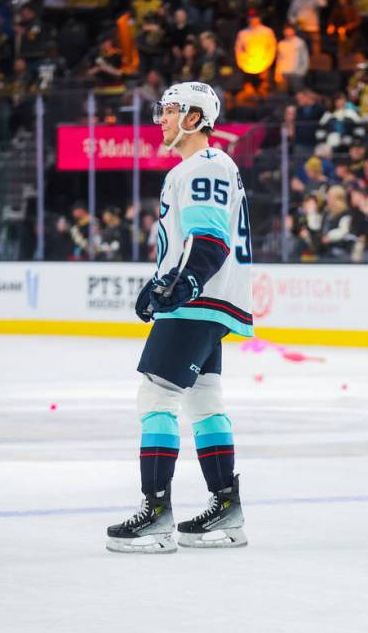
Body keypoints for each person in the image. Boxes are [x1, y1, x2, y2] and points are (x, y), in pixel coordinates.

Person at [106, 82, 252, 554]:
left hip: (199, 301)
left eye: (170, 111)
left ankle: (155, 513)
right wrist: (161, 281)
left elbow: (209, 240)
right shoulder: (202, 166)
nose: (160, 119)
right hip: (212, 300)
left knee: (156, 396)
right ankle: (226, 509)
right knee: (205, 399)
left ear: (195, 118)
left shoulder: (203, 164)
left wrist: (182, 285)